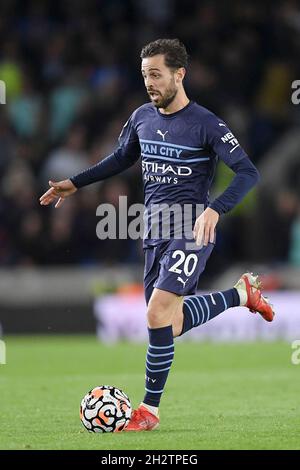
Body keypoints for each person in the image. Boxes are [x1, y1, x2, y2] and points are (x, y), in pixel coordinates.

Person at [40, 39, 274, 432]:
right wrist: (76, 184)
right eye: (145, 74)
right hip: (153, 230)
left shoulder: (207, 124)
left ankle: (149, 411)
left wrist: (215, 209)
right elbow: (121, 157)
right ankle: (240, 294)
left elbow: (249, 172)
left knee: (155, 313)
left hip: (192, 227)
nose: (149, 82)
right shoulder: (142, 117)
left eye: (156, 74)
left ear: (179, 74)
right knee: (170, 322)